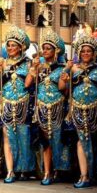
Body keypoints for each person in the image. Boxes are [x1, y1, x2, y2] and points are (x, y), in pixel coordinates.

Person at [59, 35, 97, 188]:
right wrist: (66, 72)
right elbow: (62, 87)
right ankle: (84, 175)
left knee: (93, 142)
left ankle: (94, 174)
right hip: (77, 109)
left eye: (88, 51)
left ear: (94, 53)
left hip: (95, 110)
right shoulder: (73, 68)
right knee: (80, 141)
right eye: (83, 51)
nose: (85, 53)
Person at [26, 29, 69, 185]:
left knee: (57, 139)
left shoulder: (62, 67)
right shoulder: (39, 66)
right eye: (43, 48)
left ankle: (59, 170)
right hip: (42, 107)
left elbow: (64, 90)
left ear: (56, 50)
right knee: (44, 140)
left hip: (57, 107)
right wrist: (33, 69)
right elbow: (27, 84)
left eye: (48, 48)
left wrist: (66, 76)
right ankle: (46, 172)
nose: (45, 51)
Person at [0, 26, 34, 183]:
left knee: (23, 137)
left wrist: (33, 71)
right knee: (8, 136)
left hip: (23, 103)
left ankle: (24, 169)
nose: (10, 48)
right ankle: (10, 170)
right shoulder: (2, 62)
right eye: (8, 45)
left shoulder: (28, 63)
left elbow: (27, 84)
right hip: (6, 103)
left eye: (13, 45)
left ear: (21, 47)